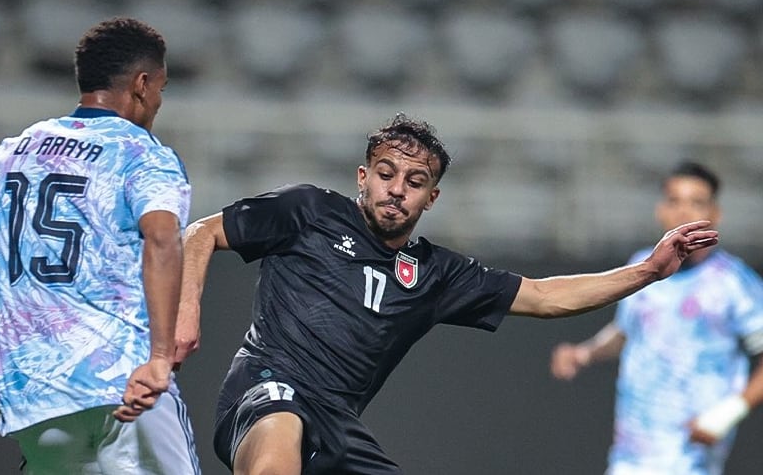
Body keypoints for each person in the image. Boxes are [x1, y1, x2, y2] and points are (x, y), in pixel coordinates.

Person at [173, 113, 718, 474]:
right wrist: (188, 311)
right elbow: (202, 233)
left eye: (414, 183)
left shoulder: (434, 273)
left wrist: (647, 271)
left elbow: (545, 297)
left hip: (336, 421)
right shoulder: (308, 210)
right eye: (386, 173)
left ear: (430, 198)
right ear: (363, 176)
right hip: (266, 386)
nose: (396, 189)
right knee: (277, 449)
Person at [0, 17, 201, 474]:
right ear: (142, 84)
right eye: (160, 87)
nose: (158, 101)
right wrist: (160, 358)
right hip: (122, 383)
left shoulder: (13, 152)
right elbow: (162, 239)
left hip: (36, 400)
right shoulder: (142, 153)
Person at [550, 161, 763, 475]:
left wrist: (728, 413)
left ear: (715, 214)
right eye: (674, 201)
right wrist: (585, 353)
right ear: (660, 210)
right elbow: (627, 331)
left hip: (690, 455)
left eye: (696, 203)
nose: (683, 212)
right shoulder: (643, 267)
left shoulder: (732, 282)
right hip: (632, 452)